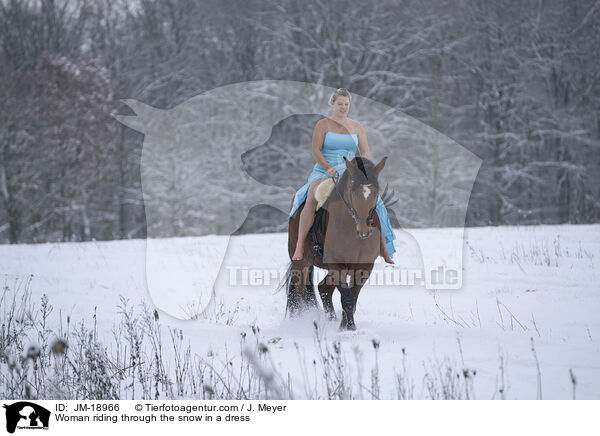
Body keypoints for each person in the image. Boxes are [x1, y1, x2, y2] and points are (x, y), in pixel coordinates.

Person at [289, 88, 396, 263]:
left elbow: (366, 150)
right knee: (311, 197)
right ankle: (300, 245)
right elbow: (315, 150)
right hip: (325, 170)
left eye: (346, 104)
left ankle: (383, 247)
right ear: (332, 104)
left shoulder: (357, 127)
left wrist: (362, 168)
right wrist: (327, 167)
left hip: (350, 170)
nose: (343, 107)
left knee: (375, 201)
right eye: (340, 104)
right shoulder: (323, 125)